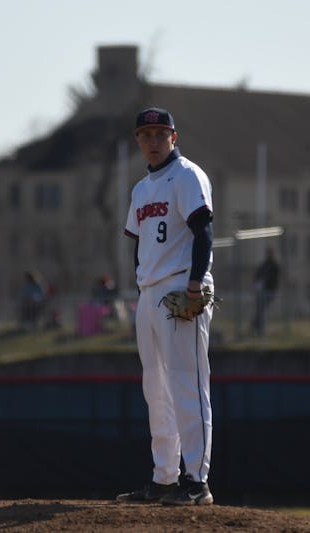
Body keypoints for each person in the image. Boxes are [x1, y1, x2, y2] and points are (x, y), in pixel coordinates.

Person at [117, 107, 215, 506]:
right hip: (149, 292)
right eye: (146, 134)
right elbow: (139, 244)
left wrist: (194, 285)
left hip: (180, 287)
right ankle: (164, 479)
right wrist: (140, 287)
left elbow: (203, 231)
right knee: (155, 389)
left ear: (174, 137)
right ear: (138, 141)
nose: (153, 140)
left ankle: (197, 482)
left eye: (161, 133)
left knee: (187, 384)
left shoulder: (188, 175)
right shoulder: (141, 189)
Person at [251, 247, 280, 336]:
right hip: (262, 292)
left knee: (262, 310)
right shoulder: (264, 264)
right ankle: (257, 327)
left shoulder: (274, 265)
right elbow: (258, 275)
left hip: (269, 291)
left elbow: (274, 278)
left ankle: (256, 326)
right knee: (260, 310)